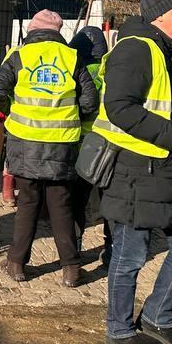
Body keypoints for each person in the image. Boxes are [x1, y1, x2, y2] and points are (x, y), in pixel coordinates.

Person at [95, 0, 172, 344]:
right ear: (161, 13)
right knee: (129, 257)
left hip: (171, 174)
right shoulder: (136, 49)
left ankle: (157, 318)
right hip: (138, 173)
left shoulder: (169, 51)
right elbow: (120, 108)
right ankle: (120, 330)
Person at [0, 9, 99, 287]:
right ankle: (71, 269)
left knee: (28, 204)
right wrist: (70, 117)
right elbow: (89, 101)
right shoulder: (71, 57)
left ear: (33, 31)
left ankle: (16, 264)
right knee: (61, 205)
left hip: (25, 142)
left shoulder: (19, 56)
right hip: (62, 144)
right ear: (58, 32)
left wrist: (11, 112)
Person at [70, 24, 112, 263]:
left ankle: (75, 247)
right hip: (108, 144)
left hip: (81, 145)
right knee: (107, 201)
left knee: (77, 200)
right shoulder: (111, 71)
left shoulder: (77, 71)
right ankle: (111, 249)